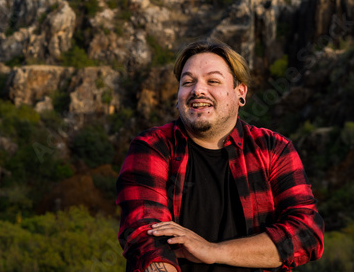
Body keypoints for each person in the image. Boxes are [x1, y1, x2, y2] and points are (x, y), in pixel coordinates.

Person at [116, 40, 324, 272]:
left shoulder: (274, 149)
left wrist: (212, 251)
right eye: (187, 82)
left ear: (240, 92)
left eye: (213, 81)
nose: (197, 90)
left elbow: (307, 233)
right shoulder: (152, 146)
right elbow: (146, 235)